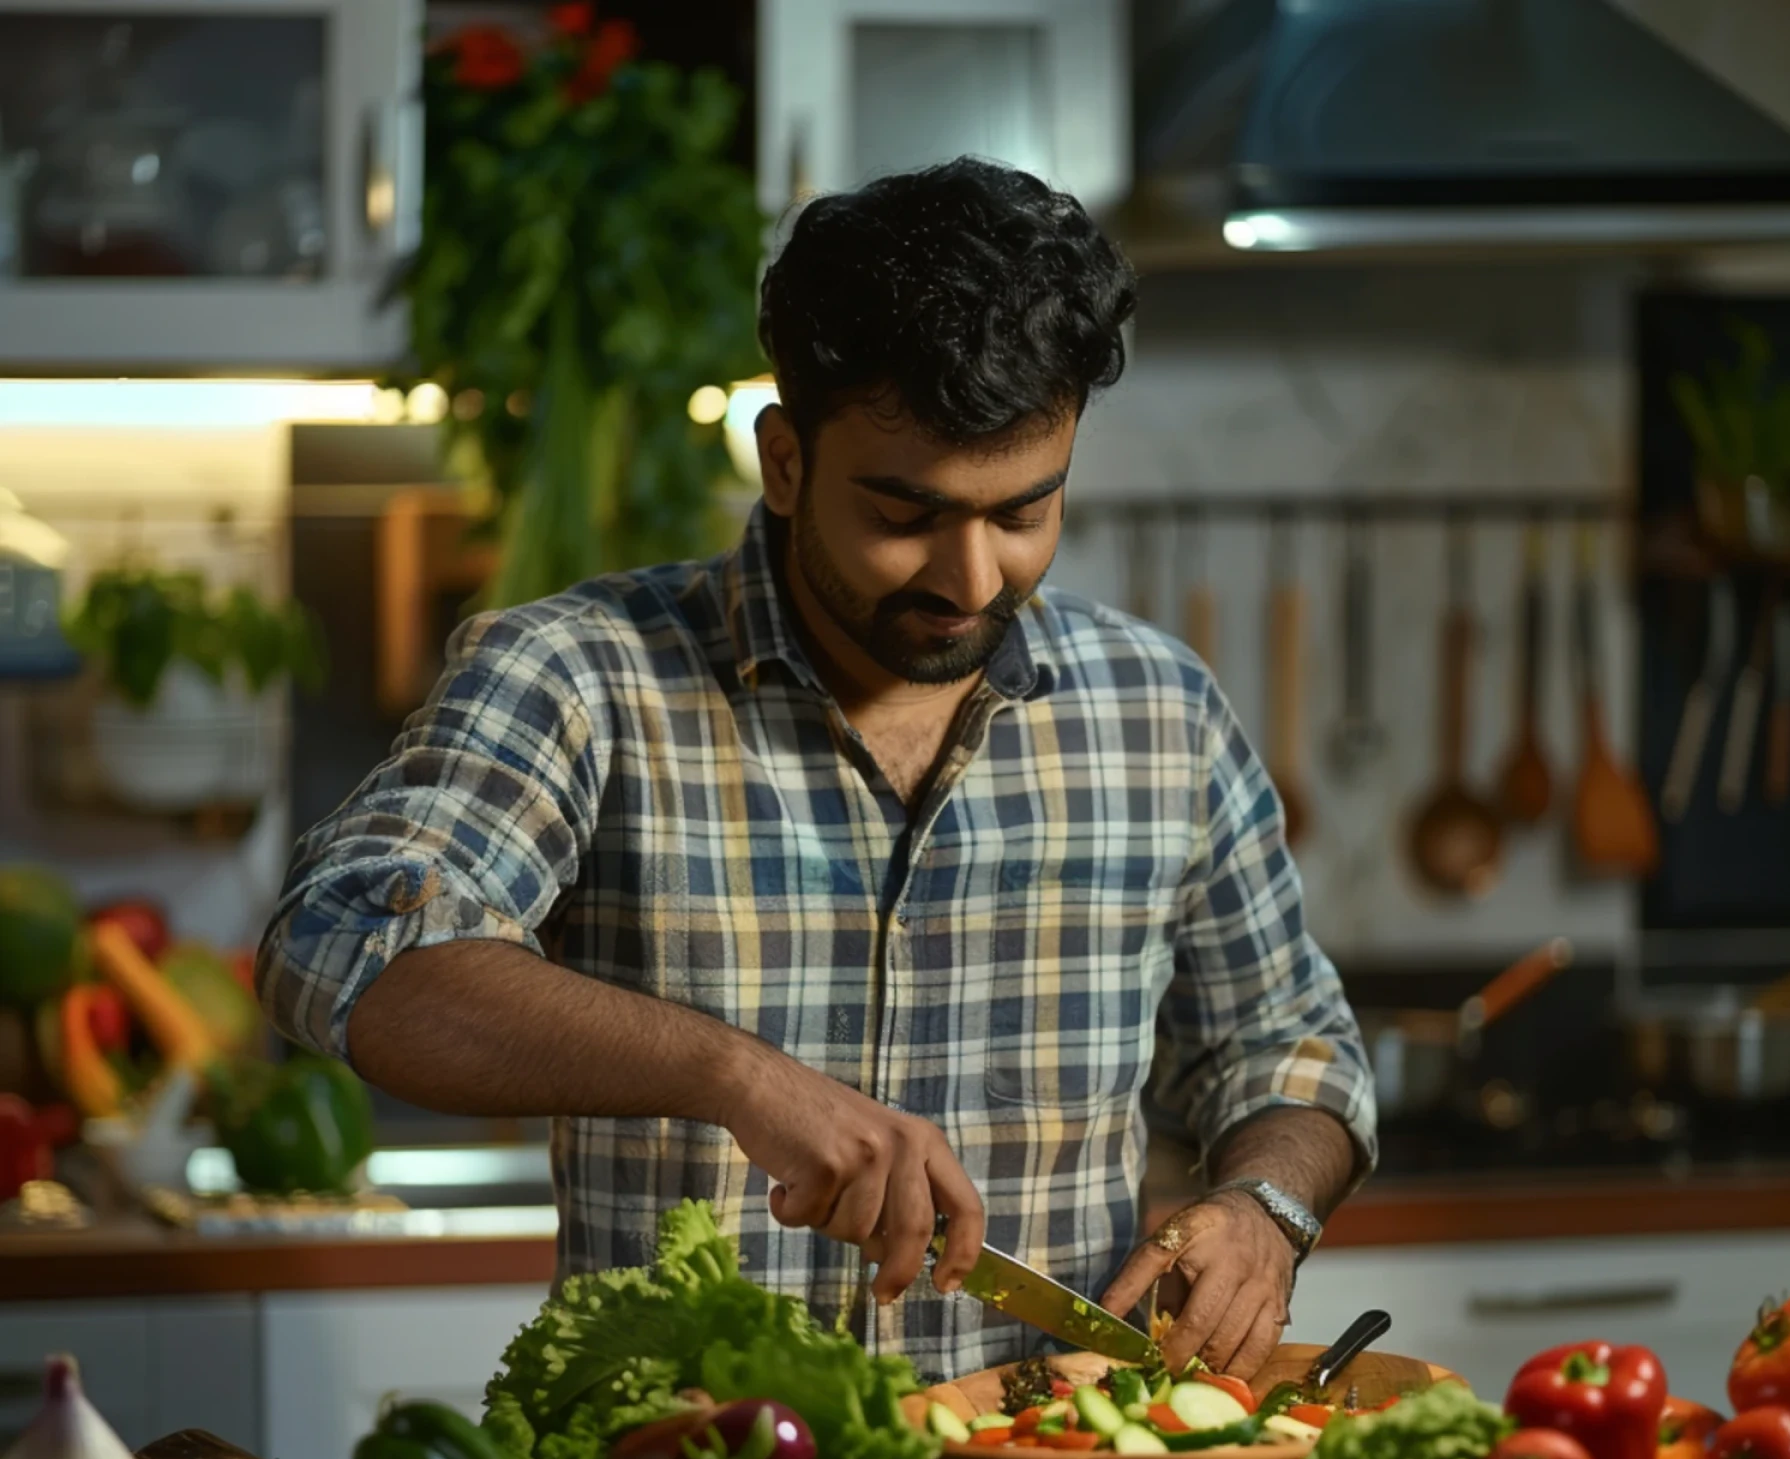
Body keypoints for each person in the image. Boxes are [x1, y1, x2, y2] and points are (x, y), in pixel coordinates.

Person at [257, 157, 1374, 1384]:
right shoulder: (580, 677)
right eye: (906, 517)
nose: (972, 580)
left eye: (1023, 512)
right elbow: (342, 951)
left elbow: (1288, 1044)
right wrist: (730, 1073)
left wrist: (1268, 1209)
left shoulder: (1159, 711)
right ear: (784, 461)